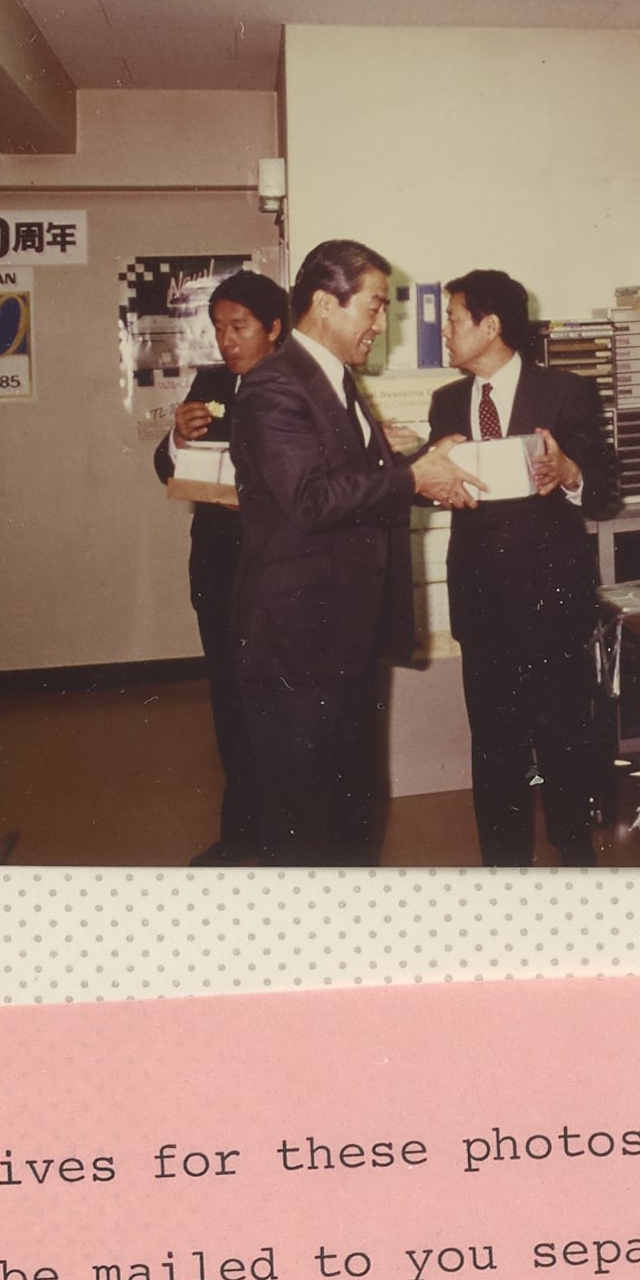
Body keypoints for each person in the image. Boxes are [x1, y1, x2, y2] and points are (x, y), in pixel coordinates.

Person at [226, 236, 475, 865]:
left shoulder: (335, 380)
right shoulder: (274, 386)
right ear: (323, 303)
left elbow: (356, 486)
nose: (381, 324)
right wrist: (414, 478)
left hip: (343, 636)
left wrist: (429, 470)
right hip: (297, 643)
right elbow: (312, 500)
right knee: (303, 821)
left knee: (351, 806)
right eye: (373, 306)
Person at [425, 270, 623, 866]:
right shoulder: (446, 402)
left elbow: (605, 488)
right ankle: (503, 862)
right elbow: (432, 484)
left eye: (453, 318)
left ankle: (573, 847)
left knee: (563, 733)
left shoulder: (565, 392)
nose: (445, 331)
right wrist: (432, 481)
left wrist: (570, 473)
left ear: (490, 325)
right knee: (493, 739)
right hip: (480, 598)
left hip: (550, 598)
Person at [148, 267, 290, 865]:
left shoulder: (300, 385)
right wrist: (177, 438)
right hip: (218, 570)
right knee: (230, 705)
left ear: (274, 328)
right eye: (218, 327)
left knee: (282, 707)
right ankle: (241, 834)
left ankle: (288, 836)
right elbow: (167, 468)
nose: (227, 340)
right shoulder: (210, 381)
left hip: (282, 575)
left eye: (240, 326)